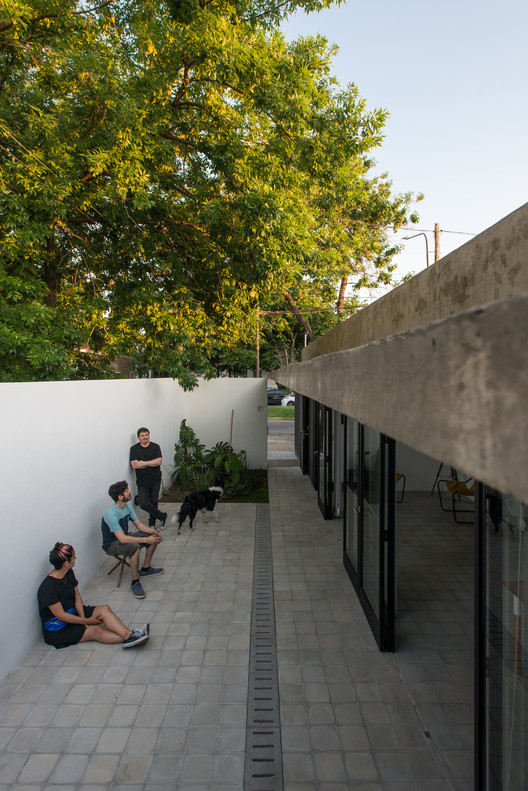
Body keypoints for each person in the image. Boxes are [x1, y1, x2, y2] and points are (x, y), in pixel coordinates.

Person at [38, 542, 149, 649]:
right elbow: (61, 615)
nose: (76, 558)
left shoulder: (68, 572)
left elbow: (77, 598)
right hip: (59, 629)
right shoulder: (48, 588)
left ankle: (129, 635)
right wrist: (86, 622)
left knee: (104, 609)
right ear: (66, 564)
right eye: (73, 557)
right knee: (95, 631)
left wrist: (82, 619)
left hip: (72, 611)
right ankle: (130, 638)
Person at [102, 480, 164, 599]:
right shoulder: (110, 514)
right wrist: (146, 540)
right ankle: (135, 582)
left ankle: (145, 569)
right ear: (120, 497)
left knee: (154, 537)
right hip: (112, 544)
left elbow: (139, 525)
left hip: (124, 536)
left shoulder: (127, 506)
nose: (130, 492)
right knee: (134, 547)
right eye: (127, 491)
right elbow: (122, 539)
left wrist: (154, 532)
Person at [129, 427, 168, 529]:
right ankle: (162, 516)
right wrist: (151, 463)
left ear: (149, 435)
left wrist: (143, 463)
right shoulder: (134, 449)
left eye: (146, 435)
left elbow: (158, 461)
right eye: (142, 435)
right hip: (142, 481)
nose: (145, 437)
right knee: (143, 503)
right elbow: (135, 465)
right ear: (139, 437)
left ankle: (152, 523)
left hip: (155, 479)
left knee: (154, 502)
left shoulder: (155, 447)